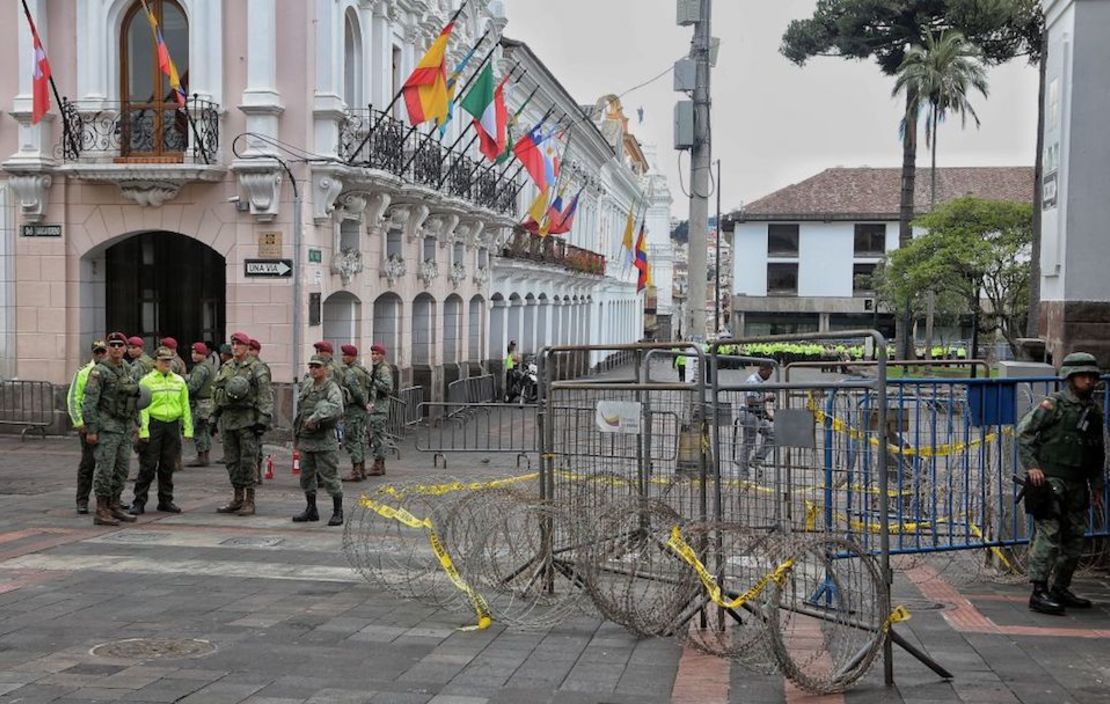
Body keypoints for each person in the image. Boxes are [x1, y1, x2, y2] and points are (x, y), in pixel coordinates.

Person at [1018, 351, 1105, 615]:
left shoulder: (1093, 410)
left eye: (1092, 376)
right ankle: (1039, 591)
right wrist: (1032, 466)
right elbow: (1024, 433)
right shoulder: (1053, 405)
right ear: (1070, 378)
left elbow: (1096, 451)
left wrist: (1097, 485)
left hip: (1078, 484)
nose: (1089, 381)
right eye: (1083, 376)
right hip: (1052, 482)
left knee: (1075, 540)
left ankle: (1060, 588)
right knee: (1049, 536)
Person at [82, 332, 141, 526]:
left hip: (124, 426)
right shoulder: (99, 371)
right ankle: (101, 509)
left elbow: (134, 398)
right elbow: (90, 402)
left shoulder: (128, 369)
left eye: (120, 345)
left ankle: (115, 505)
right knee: (105, 469)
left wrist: (136, 424)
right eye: (113, 345)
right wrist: (91, 429)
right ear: (108, 349)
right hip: (107, 427)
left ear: (125, 348)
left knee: (122, 469)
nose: (116, 348)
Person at [211, 331, 273, 516]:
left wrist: (262, 420)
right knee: (231, 461)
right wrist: (213, 417)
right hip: (228, 420)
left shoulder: (257, 368)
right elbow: (216, 391)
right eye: (233, 344)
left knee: (248, 460)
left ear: (247, 347)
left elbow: (265, 396)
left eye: (239, 345)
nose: (235, 348)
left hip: (247, 421)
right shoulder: (226, 367)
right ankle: (237, 497)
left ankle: (249, 500)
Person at [130, 347, 192, 515]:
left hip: (171, 425)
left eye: (169, 360)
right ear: (155, 363)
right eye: (163, 360)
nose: (167, 363)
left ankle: (166, 500)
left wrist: (188, 428)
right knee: (148, 466)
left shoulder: (179, 381)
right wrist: (144, 431)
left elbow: (185, 405)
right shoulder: (146, 381)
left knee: (167, 466)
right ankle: (139, 501)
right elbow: (143, 408)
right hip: (153, 425)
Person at [292, 355, 346, 526]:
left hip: (324, 440)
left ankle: (338, 511)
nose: (314, 370)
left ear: (325, 369)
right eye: (311, 367)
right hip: (306, 438)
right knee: (306, 476)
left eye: (317, 366)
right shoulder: (308, 384)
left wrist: (316, 417)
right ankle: (311, 509)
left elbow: (337, 408)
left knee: (330, 476)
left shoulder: (331, 387)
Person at [67, 339, 108, 514]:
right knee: (88, 464)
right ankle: (82, 500)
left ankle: (111, 500)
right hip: (90, 425)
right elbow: (73, 398)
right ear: (93, 353)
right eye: (97, 352)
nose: (100, 355)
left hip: (108, 424)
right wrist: (79, 423)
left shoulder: (113, 371)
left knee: (110, 464)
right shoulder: (83, 372)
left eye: (102, 351)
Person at [736, 361, 776, 478]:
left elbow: (758, 402)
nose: (770, 375)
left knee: (772, 435)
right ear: (763, 369)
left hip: (756, 414)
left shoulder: (760, 382)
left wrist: (768, 416)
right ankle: (743, 473)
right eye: (769, 372)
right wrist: (766, 399)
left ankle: (756, 460)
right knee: (748, 443)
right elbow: (751, 401)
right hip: (749, 414)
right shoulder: (753, 381)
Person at [339, 344, 372, 482]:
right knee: (359, 439)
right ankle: (362, 468)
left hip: (354, 409)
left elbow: (356, 392)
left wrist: (363, 404)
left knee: (352, 440)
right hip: (361, 410)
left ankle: (356, 470)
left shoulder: (351, 372)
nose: (342, 357)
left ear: (352, 356)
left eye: (345, 355)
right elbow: (370, 387)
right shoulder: (362, 370)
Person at [186, 342, 216, 467]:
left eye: (197, 353)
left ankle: (201, 456)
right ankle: (205, 455)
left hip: (201, 403)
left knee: (199, 429)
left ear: (204, 354)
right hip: (208, 402)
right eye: (193, 352)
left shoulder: (200, 368)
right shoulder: (208, 365)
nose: (194, 355)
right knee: (205, 430)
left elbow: (193, 387)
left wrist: (183, 391)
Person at [366, 344, 394, 476]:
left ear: (383, 355)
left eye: (377, 354)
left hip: (380, 408)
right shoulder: (377, 369)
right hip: (375, 407)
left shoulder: (383, 369)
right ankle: (379, 464)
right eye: (373, 354)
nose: (374, 356)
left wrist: (374, 381)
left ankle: (378, 464)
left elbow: (387, 388)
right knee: (376, 436)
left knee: (378, 436)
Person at [247, 339, 272, 485]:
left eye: (252, 349)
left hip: (256, 410)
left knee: (256, 444)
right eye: (248, 349)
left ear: (257, 351)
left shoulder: (261, 368)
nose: (249, 352)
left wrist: (263, 416)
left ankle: (256, 472)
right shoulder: (245, 366)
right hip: (247, 411)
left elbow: (265, 391)